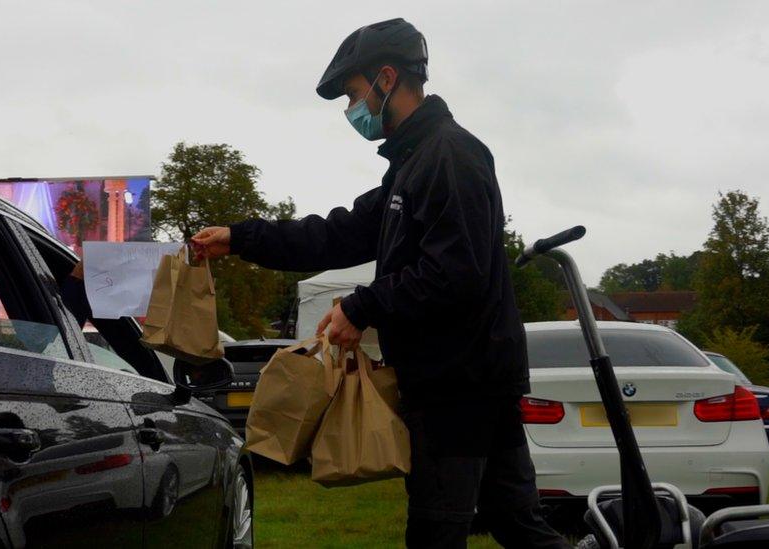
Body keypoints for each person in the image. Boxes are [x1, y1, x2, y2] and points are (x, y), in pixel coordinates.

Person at [191, 18, 568, 549]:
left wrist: (362, 305)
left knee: (437, 532)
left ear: (387, 78)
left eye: (352, 94)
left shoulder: (449, 156)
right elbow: (335, 235)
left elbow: (456, 272)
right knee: (516, 524)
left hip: (458, 386)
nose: (352, 111)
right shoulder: (410, 166)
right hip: (467, 380)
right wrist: (241, 238)